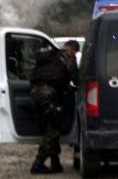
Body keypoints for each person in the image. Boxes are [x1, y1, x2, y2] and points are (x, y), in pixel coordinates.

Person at [29, 40, 80, 174]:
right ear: (74, 49)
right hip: (49, 95)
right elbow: (75, 77)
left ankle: (55, 163)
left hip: (34, 93)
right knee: (53, 131)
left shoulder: (50, 56)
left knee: (49, 127)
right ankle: (38, 164)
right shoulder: (68, 57)